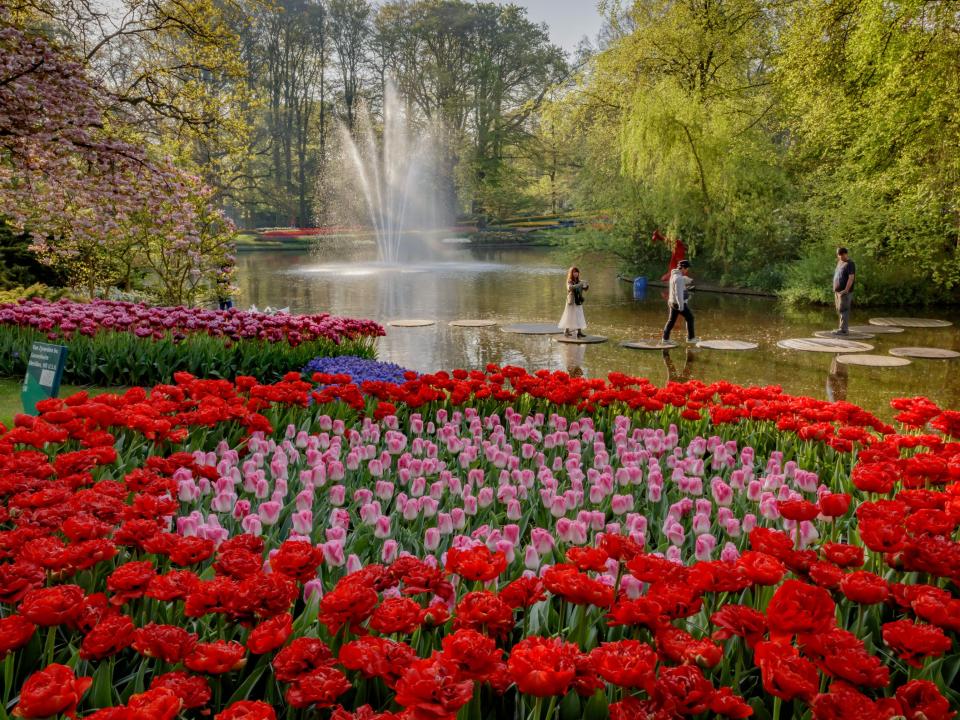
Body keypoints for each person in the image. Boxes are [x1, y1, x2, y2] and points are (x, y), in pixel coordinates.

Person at [662, 259, 699, 344]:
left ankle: (665, 339)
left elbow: (681, 280)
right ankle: (691, 338)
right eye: (686, 269)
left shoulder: (674, 275)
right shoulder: (678, 278)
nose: (687, 270)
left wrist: (688, 280)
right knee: (690, 318)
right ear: (682, 268)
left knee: (671, 321)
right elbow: (678, 293)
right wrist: (681, 306)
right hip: (678, 303)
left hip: (672, 302)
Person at [559, 266, 589, 338]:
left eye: (577, 272)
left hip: (578, 300)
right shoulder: (569, 281)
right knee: (569, 315)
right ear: (571, 273)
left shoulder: (579, 281)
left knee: (579, 315)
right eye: (574, 272)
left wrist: (586, 285)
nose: (576, 273)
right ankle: (566, 331)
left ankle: (579, 332)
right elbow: (570, 288)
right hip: (571, 301)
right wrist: (580, 284)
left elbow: (584, 289)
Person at [832, 247, 856, 335]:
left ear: (846, 254)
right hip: (837, 291)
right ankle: (841, 328)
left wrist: (846, 290)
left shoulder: (850, 264)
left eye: (841, 255)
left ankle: (844, 330)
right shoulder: (840, 262)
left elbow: (851, 278)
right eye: (839, 255)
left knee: (844, 310)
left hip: (845, 292)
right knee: (839, 310)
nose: (840, 257)